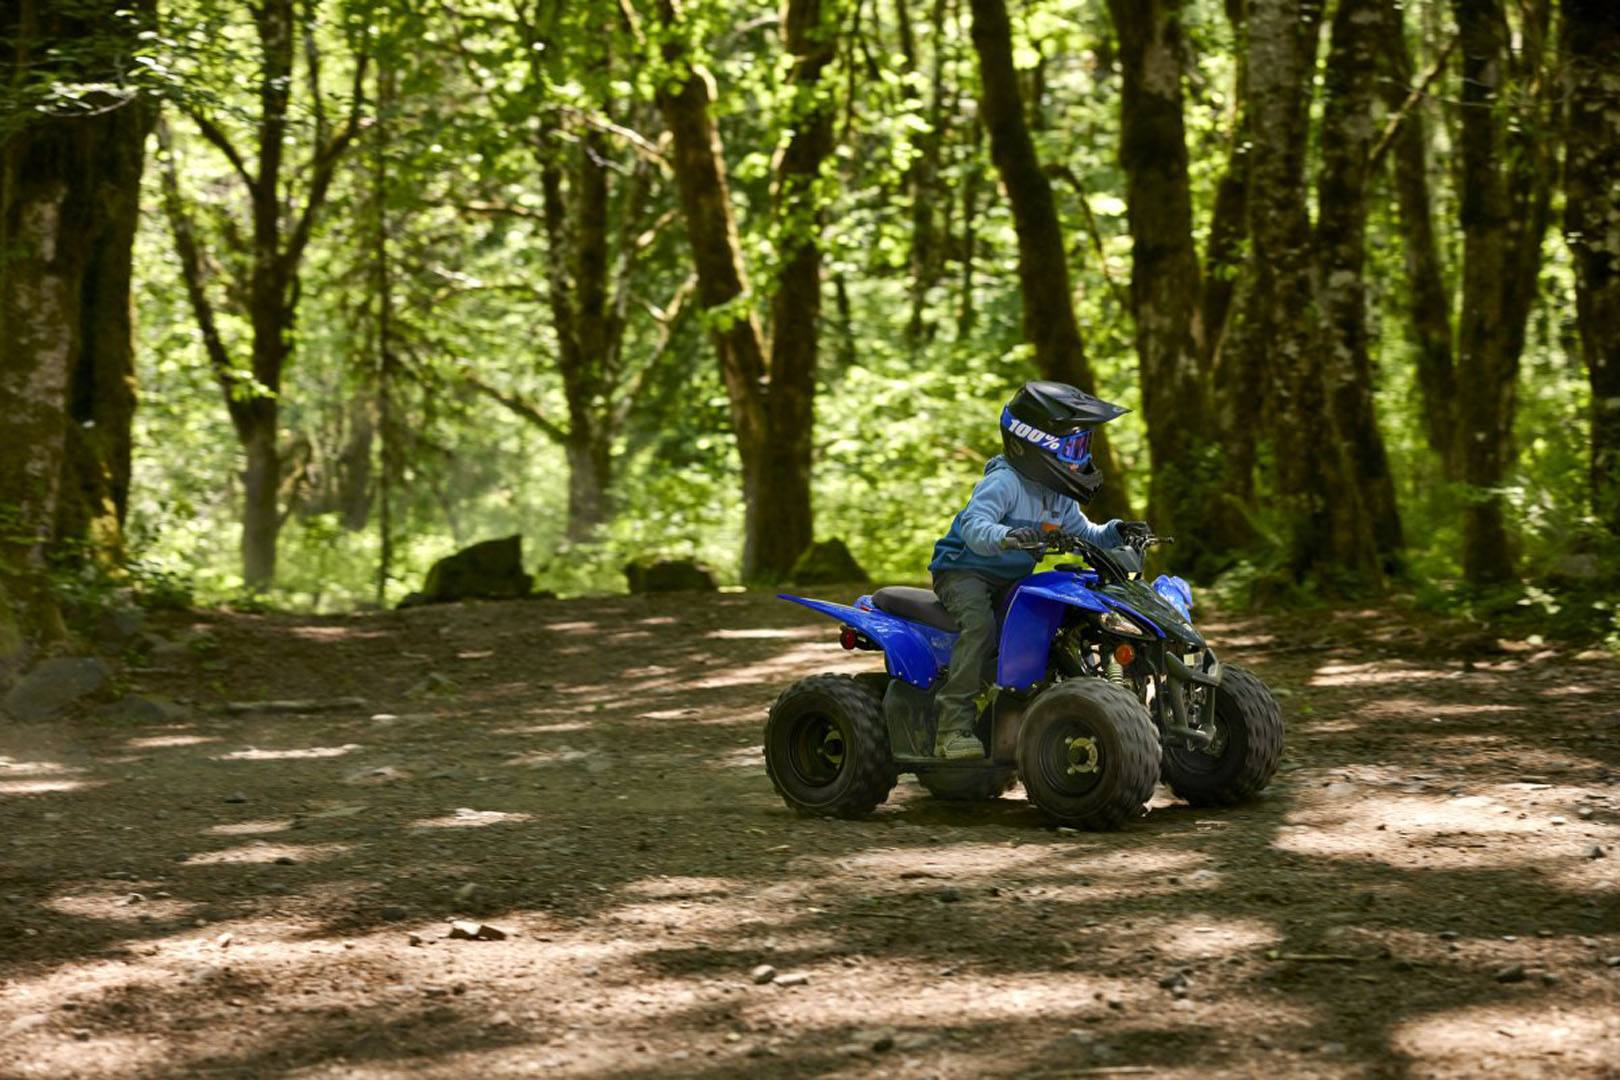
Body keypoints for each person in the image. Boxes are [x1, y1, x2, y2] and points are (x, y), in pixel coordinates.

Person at [926, 381, 1148, 760]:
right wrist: (1010, 536)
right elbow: (975, 528)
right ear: (1036, 443)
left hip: (1011, 579)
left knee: (1057, 623)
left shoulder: (1056, 493)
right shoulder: (1004, 481)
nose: (1081, 458)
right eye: (1074, 448)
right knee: (980, 627)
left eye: (1084, 447)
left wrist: (1117, 532)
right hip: (965, 573)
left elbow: (1084, 532)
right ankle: (952, 730)